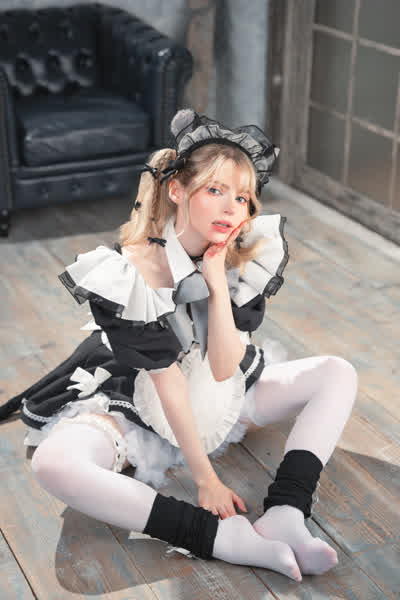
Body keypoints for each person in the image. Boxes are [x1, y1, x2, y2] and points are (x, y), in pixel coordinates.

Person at [1, 109, 358, 582]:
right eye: (215, 191)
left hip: (218, 393)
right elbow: (166, 382)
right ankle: (219, 537)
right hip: (142, 402)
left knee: (338, 372)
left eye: (242, 197)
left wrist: (216, 283)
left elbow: (224, 368)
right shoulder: (133, 268)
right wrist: (206, 481)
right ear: (177, 191)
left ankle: (287, 513)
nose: (231, 208)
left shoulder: (241, 255)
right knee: (54, 464)